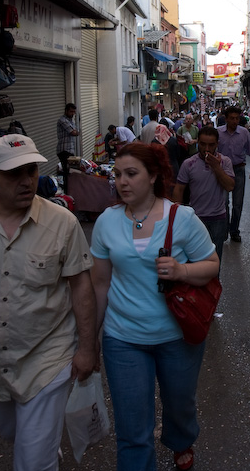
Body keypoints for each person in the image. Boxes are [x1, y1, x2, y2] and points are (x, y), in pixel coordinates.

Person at [91, 142, 219, 471]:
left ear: (153, 176)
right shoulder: (106, 221)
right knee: (132, 426)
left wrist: (182, 271)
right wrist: (90, 338)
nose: (122, 181)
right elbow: (100, 283)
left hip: (177, 336)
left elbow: (212, 264)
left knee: (180, 404)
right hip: (123, 339)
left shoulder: (183, 218)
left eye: (131, 174)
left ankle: (181, 438)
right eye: (117, 174)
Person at [0, 134, 96, 471]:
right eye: (13, 174)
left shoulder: (61, 222)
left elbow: (81, 285)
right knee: (14, 432)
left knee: (32, 462)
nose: (26, 181)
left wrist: (86, 348)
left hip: (46, 359)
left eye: (31, 171)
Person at [173, 126, 235, 263]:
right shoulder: (189, 164)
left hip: (218, 218)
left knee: (215, 261)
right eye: (203, 144)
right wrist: (176, 216)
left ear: (217, 144)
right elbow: (179, 190)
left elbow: (230, 186)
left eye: (211, 145)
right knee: (195, 261)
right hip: (195, 218)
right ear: (197, 143)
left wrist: (216, 167)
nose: (207, 148)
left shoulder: (225, 162)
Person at [217, 106, 250, 243]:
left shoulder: (244, 133)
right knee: (223, 203)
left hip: (239, 170)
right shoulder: (218, 133)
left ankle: (234, 231)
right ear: (226, 119)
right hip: (223, 172)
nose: (235, 121)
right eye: (232, 118)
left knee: (237, 204)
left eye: (237, 118)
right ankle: (224, 231)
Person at [56, 102, 79, 193]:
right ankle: (67, 191)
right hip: (64, 150)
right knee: (66, 172)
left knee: (70, 171)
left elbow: (76, 132)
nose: (72, 114)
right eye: (71, 111)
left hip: (70, 149)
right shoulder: (62, 120)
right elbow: (73, 132)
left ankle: (70, 189)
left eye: (74, 112)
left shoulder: (70, 121)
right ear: (66, 111)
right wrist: (76, 132)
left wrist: (76, 132)